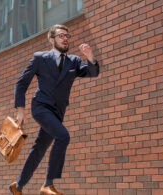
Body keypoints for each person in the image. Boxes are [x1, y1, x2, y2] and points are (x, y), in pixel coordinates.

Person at [9, 24, 100, 195]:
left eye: (67, 36)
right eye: (61, 36)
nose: (65, 38)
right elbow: (21, 83)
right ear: (52, 40)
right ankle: (47, 185)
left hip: (57, 112)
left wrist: (90, 57)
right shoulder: (40, 58)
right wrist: (20, 111)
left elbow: (92, 73)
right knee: (63, 136)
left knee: (39, 149)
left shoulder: (74, 61)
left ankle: (18, 186)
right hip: (41, 107)